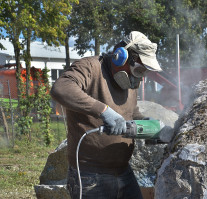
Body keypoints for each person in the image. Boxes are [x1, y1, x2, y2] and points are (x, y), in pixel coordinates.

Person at [50, 31, 163, 199]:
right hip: (90, 175)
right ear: (121, 57)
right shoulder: (90, 67)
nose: (139, 78)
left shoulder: (130, 81)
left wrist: (146, 124)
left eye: (143, 72)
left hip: (123, 170)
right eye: (139, 70)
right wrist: (103, 110)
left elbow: (130, 112)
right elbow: (61, 88)